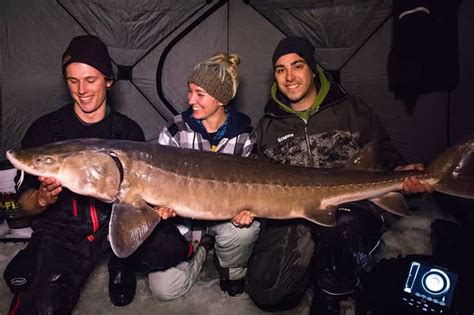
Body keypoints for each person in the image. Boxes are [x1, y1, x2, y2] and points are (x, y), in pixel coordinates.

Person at [2, 35, 191, 314]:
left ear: (108, 80)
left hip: (115, 220)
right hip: (66, 233)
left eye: (90, 80)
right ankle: (39, 260)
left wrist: (161, 205)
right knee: (42, 306)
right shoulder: (46, 130)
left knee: (171, 247)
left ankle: (120, 262)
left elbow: (143, 199)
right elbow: (22, 204)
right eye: (73, 81)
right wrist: (41, 199)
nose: (82, 90)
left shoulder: (127, 132)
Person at [245, 36, 433, 313]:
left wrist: (399, 172)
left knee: (343, 230)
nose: (289, 76)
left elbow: (383, 152)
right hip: (297, 215)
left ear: (312, 68)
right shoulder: (268, 126)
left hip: (352, 208)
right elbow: (259, 180)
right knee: (269, 295)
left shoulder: (351, 110)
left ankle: (332, 291)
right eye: (280, 69)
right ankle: (313, 267)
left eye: (297, 66)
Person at [148, 52, 261, 299]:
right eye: (190, 92)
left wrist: (247, 209)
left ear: (221, 99)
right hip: (185, 223)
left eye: (200, 94)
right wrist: (161, 204)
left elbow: (253, 187)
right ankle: (198, 252)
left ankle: (232, 269)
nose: (191, 100)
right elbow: (160, 183)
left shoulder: (244, 136)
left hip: (226, 217)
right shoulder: (174, 131)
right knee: (162, 290)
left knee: (246, 230)